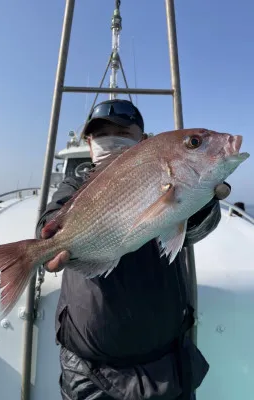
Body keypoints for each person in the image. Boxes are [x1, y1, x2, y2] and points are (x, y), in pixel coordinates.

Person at [36, 99, 231, 400]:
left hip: (168, 366)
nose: (111, 138)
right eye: (102, 132)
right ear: (89, 143)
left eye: (122, 130)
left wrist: (205, 203)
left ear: (142, 140)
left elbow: (195, 229)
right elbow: (52, 217)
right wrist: (49, 239)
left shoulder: (169, 175)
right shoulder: (75, 185)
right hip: (89, 371)